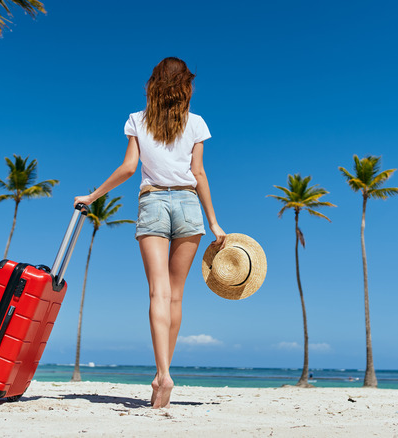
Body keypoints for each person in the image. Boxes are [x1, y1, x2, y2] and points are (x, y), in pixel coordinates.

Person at [74, 57, 225, 409]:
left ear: (153, 85)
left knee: (158, 292)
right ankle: (164, 374)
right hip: (189, 206)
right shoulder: (197, 123)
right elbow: (199, 173)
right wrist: (214, 222)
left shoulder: (137, 120)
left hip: (153, 203)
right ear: (185, 86)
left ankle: (162, 373)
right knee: (176, 296)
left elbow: (129, 168)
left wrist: (93, 196)